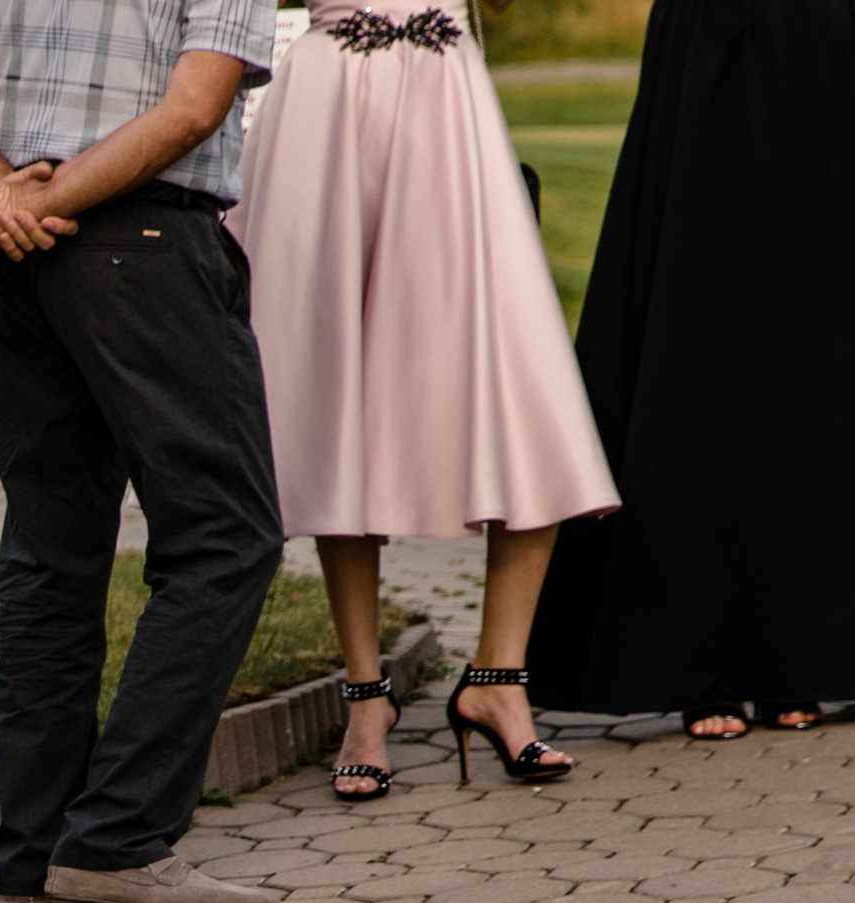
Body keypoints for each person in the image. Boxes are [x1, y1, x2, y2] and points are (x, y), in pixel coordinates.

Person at [0, 0, 287, 903]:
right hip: (145, 244)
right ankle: (116, 839)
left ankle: (32, 854)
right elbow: (191, 108)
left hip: (17, 268)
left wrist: (5, 201)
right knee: (228, 538)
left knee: (50, 551)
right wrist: (32, 205)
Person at [523, 0, 855, 736]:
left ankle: (798, 653)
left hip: (823, 48)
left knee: (817, 339)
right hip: (707, 42)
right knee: (697, 331)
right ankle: (702, 657)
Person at [230, 0, 619, 800]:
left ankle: (498, 679)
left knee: (521, 386)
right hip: (331, 96)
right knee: (340, 390)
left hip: (448, 92)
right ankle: (367, 699)